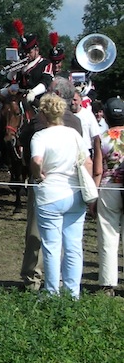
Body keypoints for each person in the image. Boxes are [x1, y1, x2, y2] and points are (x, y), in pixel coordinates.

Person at [19, 76, 82, 291]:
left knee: (38, 235)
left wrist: (37, 175)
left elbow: (25, 141)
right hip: (72, 188)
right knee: (70, 241)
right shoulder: (76, 123)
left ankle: (32, 278)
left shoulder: (39, 122)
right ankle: (66, 285)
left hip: (46, 187)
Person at [30, 93, 92, 298]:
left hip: (50, 195)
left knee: (51, 246)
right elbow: (88, 163)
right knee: (74, 245)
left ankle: (52, 291)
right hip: (74, 193)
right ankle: (73, 293)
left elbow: (37, 161)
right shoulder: (74, 134)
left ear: (43, 114)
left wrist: (38, 174)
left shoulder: (40, 136)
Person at [96, 97, 124, 297]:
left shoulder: (101, 137)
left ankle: (108, 284)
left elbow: (98, 170)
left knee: (108, 235)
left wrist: (93, 196)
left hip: (108, 187)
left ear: (105, 115)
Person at [0, 20, 52, 107]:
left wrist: (33, 93)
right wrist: (13, 71)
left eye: (29, 51)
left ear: (36, 50)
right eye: (25, 51)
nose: (27, 54)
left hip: (38, 98)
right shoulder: (23, 64)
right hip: (20, 96)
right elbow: (14, 82)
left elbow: (46, 83)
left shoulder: (45, 64)